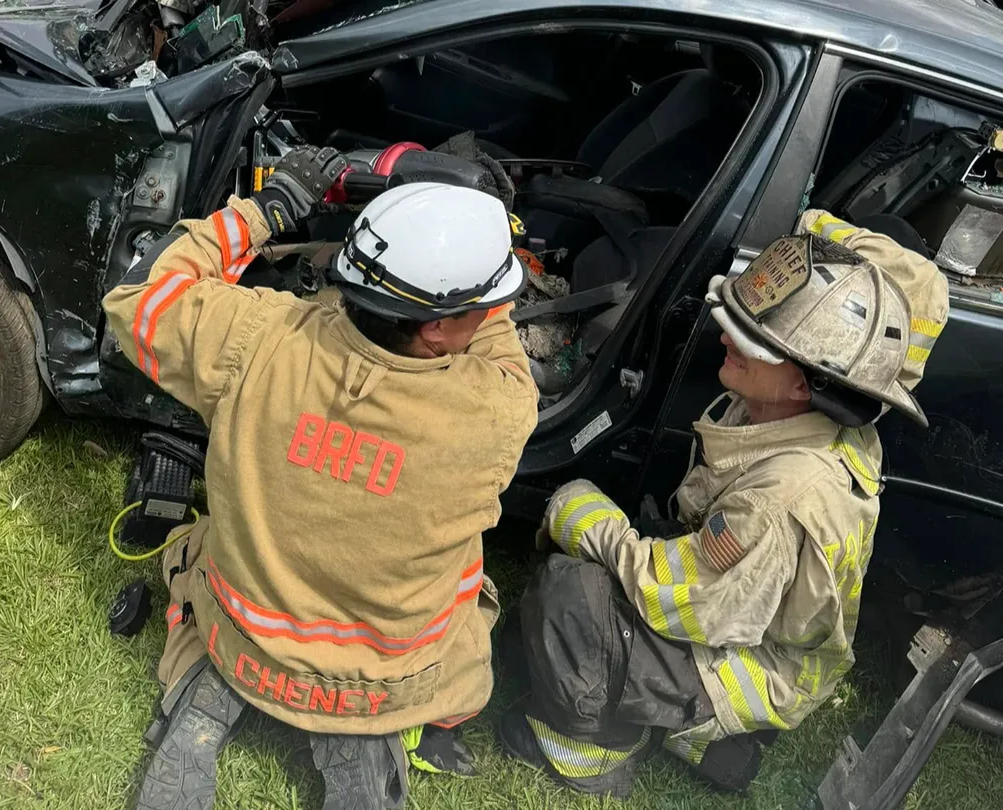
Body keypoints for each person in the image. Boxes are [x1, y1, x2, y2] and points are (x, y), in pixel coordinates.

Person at [101, 145, 539, 810]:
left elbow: (138, 294)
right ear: (439, 329)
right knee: (471, 592)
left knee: (200, 548)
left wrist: (268, 207)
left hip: (243, 642)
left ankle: (205, 691)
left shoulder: (258, 338)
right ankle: (367, 733)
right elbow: (492, 339)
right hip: (382, 682)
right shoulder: (496, 410)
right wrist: (479, 230)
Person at [496, 209, 950, 796]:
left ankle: (592, 752)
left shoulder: (782, 497)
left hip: (757, 661)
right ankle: (701, 738)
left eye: (755, 341)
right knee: (542, 625)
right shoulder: (792, 409)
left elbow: (680, 600)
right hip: (747, 611)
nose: (729, 338)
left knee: (569, 597)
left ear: (807, 382)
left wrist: (580, 516)